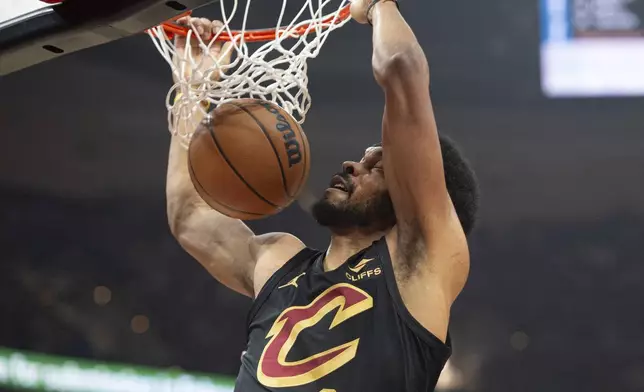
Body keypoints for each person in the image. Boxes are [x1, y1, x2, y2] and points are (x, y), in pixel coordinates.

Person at [166, 0, 479, 390]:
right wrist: (195, 84)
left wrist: (378, 6)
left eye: (376, 167)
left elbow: (402, 70)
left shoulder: (421, 268)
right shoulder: (279, 262)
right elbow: (189, 214)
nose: (352, 165)